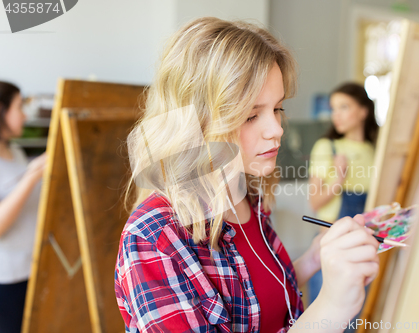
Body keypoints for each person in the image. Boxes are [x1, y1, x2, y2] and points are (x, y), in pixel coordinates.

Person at [114, 17, 379, 333]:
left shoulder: (246, 193)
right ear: (195, 123)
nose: (276, 130)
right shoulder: (153, 239)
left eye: (278, 109)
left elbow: (255, 298)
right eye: (252, 115)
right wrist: (332, 307)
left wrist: (312, 259)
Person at [307, 82, 379, 332]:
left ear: (363, 111)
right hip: (329, 250)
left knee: (355, 320)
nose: (335, 114)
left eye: (344, 107)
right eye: (333, 108)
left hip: (362, 250)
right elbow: (314, 202)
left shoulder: (376, 151)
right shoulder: (327, 147)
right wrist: (338, 178)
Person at [0, 81, 47, 333]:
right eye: (19, 106)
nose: (24, 115)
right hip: (6, 279)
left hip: (33, 268)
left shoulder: (15, 152)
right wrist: (31, 176)